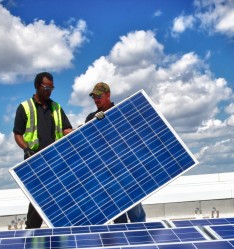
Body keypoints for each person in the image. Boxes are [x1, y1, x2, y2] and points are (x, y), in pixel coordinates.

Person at [13, 72, 73, 229]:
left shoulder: (56, 107)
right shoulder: (25, 107)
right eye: (47, 87)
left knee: (60, 195)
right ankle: (32, 230)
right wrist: (26, 149)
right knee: (38, 198)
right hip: (35, 160)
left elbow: (66, 129)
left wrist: (78, 131)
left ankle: (62, 229)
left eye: (52, 88)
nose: (49, 91)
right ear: (37, 86)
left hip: (56, 159)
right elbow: (17, 133)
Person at [85, 82, 147, 224]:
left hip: (127, 171)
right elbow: (88, 143)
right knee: (118, 217)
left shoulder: (121, 112)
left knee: (136, 212)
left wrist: (109, 119)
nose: (96, 100)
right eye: (94, 97)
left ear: (108, 95)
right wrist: (95, 123)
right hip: (107, 175)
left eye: (99, 96)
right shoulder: (91, 118)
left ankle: (143, 239)